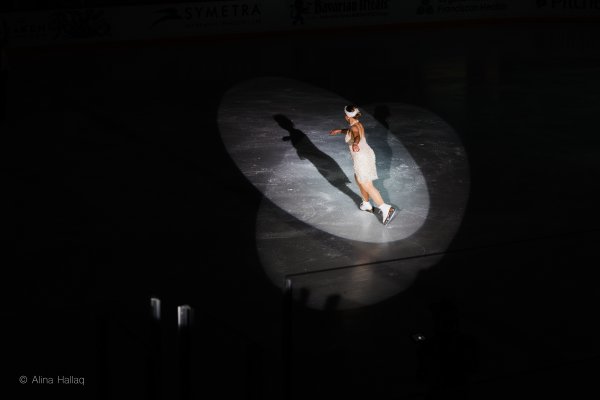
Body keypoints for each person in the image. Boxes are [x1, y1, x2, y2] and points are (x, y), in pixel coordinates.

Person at [329, 105, 397, 225]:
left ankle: (386, 208)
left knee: (367, 184)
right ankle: (366, 204)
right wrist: (340, 131)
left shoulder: (355, 127)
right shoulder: (357, 124)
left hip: (362, 157)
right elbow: (352, 131)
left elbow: (356, 135)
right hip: (366, 155)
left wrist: (355, 144)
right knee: (358, 179)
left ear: (346, 117)